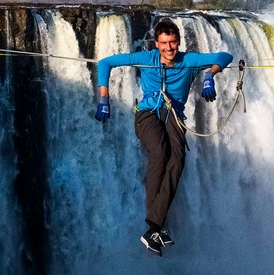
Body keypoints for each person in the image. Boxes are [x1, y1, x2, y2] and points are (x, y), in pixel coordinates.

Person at [94, 18, 233, 256]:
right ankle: (154, 227)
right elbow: (105, 63)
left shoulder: (188, 60)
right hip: (147, 113)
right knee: (159, 152)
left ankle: (155, 227)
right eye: (164, 43)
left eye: (173, 43)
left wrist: (210, 75)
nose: (169, 48)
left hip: (174, 116)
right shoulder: (146, 58)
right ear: (156, 44)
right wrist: (104, 99)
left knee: (178, 160)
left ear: (178, 43)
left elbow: (224, 56)